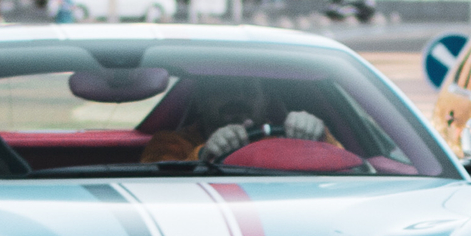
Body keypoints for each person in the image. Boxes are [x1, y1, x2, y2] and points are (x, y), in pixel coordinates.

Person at [140, 77, 331, 164]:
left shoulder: (291, 140)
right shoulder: (169, 143)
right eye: (224, 88)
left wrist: (319, 136)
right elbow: (155, 186)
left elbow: (349, 167)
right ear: (200, 101)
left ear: (266, 101)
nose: (238, 98)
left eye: (249, 90)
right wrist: (204, 154)